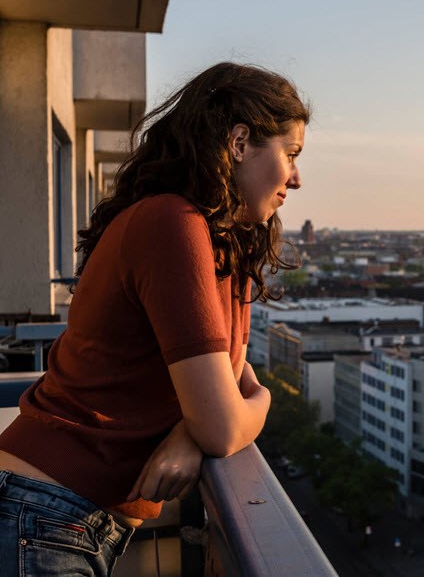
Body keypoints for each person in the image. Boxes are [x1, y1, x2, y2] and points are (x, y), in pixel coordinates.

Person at [0, 61, 310, 576]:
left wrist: (196, 430)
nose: (297, 178)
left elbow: (227, 388)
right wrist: (258, 403)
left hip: (64, 520)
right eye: (291, 154)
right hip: (42, 512)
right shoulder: (171, 223)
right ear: (239, 142)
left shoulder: (219, 248)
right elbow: (225, 415)